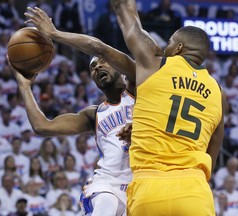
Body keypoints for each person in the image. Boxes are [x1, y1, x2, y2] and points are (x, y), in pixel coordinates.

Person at [13, 6, 136, 216]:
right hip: (106, 186)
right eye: (93, 67)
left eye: (103, 62)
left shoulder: (138, 87)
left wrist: (54, 34)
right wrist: (24, 86)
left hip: (141, 186)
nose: (97, 67)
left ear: (120, 68)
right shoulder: (93, 114)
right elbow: (43, 127)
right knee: (106, 204)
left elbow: (99, 47)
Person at [110, 0, 226, 215]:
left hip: (150, 187)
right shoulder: (218, 92)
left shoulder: (157, 64)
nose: (166, 47)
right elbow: (213, 150)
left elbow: (125, 13)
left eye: (170, 43)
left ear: (179, 48)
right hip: (195, 191)